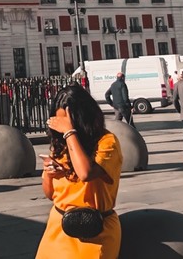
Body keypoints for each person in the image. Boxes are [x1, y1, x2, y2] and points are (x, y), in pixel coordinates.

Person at [37, 83, 122, 258]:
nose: (59, 130)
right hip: (58, 228)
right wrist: (49, 174)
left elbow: (85, 173)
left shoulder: (107, 142)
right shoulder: (60, 145)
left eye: (65, 123)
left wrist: (69, 132)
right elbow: (50, 193)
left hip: (94, 233)